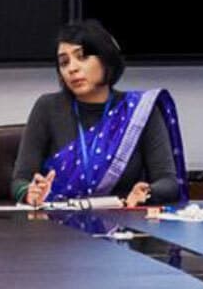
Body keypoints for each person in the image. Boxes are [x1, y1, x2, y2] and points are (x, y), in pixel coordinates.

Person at [15, 19, 183, 208]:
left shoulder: (140, 112)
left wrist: (146, 193)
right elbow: (20, 180)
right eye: (64, 62)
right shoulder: (47, 107)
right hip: (58, 224)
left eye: (82, 57)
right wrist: (30, 194)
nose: (72, 68)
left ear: (106, 59)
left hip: (123, 223)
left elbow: (169, 183)